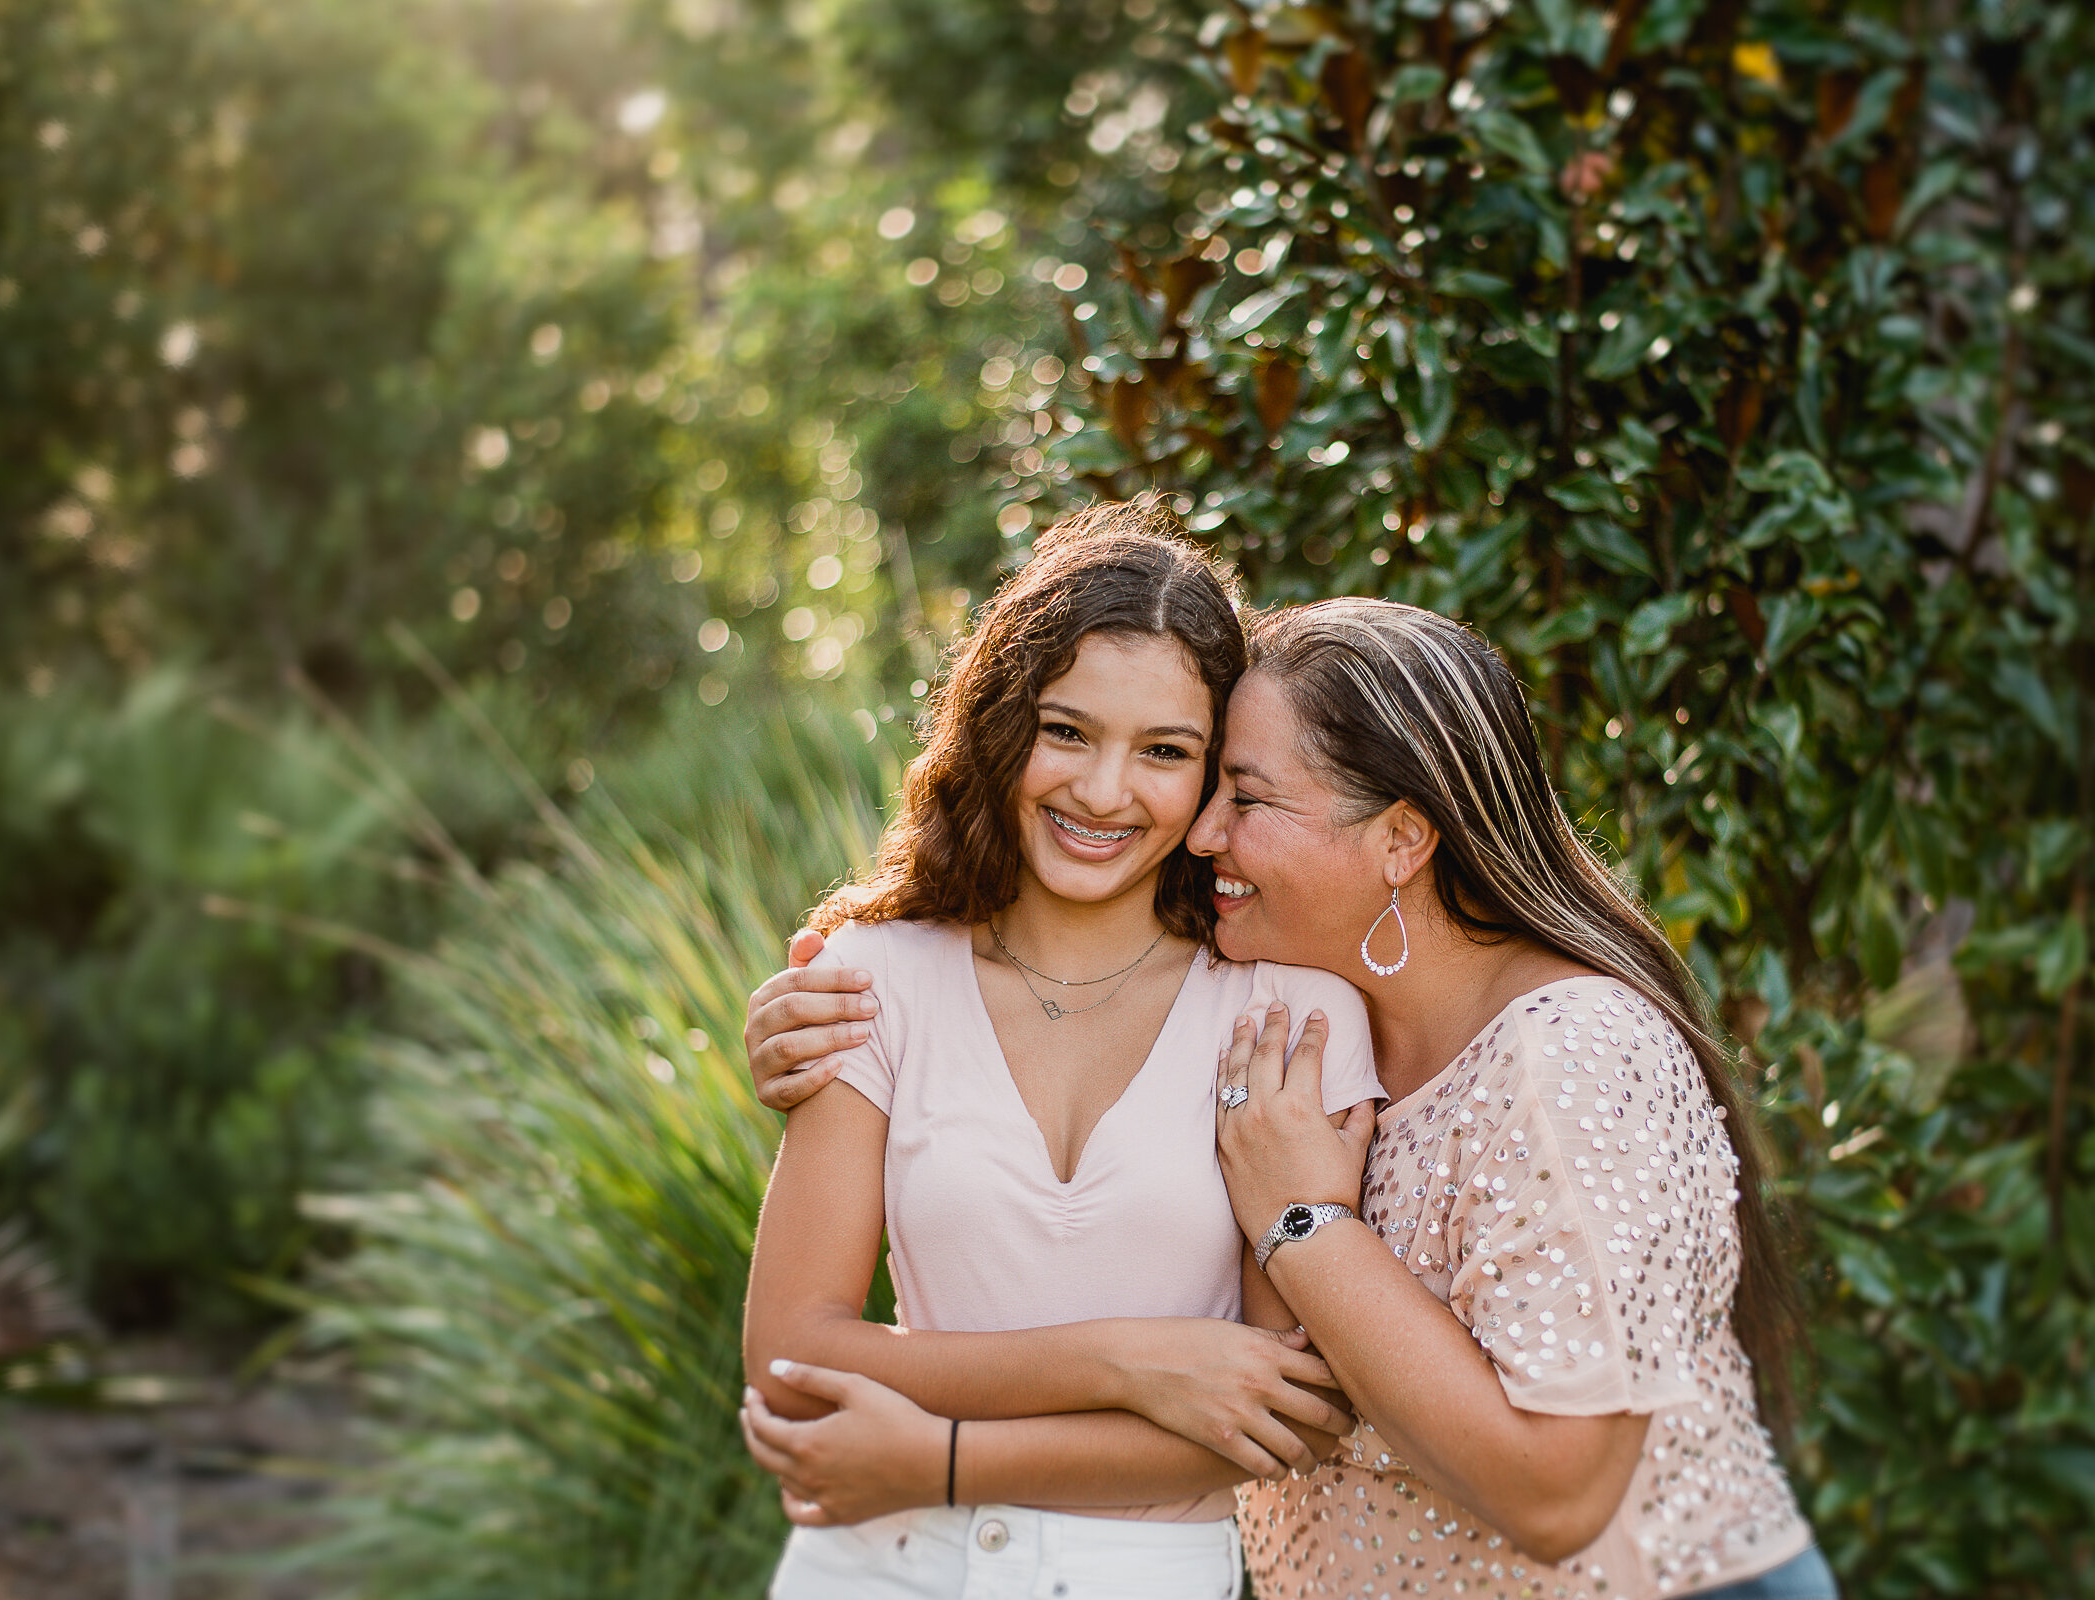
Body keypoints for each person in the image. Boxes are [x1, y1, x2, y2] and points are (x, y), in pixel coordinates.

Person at [744, 596, 1837, 1600]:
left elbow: (1549, 1490)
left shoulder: (1568, 1059)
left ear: (1404, 839)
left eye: (1240, 794)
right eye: (1211, 783)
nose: (1199, 828)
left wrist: (1302, 1222)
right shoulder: (1326, 1017)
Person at [741, 497, 1383, 1600]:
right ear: (1001, 726)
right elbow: (794, 1363)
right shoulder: (873, 975)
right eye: (1068, 730)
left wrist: (935, 1447)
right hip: (873, 1567)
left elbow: (1287, 1415)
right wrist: (1129, 1362)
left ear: (1213, 776)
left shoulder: (1288, 1015)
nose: (1100, 791)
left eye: (1165, 751)